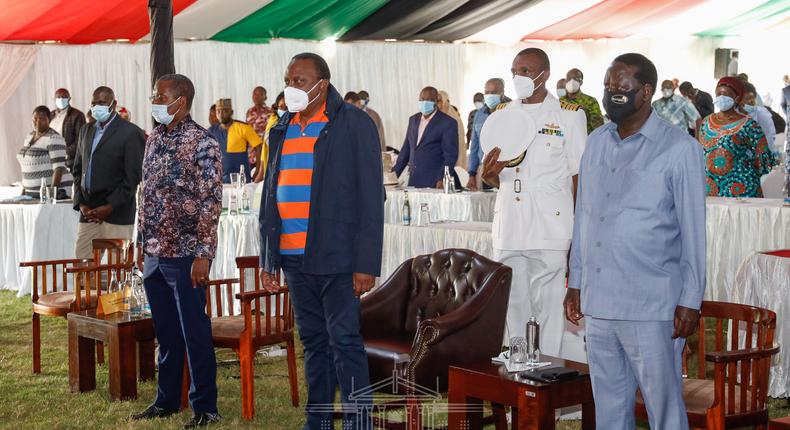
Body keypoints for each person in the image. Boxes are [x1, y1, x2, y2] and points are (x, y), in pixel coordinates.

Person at [565, 53, 707, 430]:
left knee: (664, 409)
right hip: (600, 302)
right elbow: (584, 218)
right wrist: (575, 281)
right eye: (608, 85)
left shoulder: (679, 149)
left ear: (645, 92)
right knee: (609, 408)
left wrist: (690, 300)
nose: (613, 92)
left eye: (622, 86)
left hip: (652, 305)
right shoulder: (596, 142)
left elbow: (694, 232)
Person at [258, 52, 383, 429]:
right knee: (313, 342)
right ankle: (319, 422)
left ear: (321, 84)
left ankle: (360, 422)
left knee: (344, 341)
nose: (290, 87)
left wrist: (365, 263)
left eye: (299, 80)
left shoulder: (353, 123)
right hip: (294, 256)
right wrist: (269, 255)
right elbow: (269, 191)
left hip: (338, 256)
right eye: (288, 79)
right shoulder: (282, 126)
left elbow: (370, 197)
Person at [481, 47, 587, 361]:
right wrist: (488, 176)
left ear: (545, 74)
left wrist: (578, 235)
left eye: (526, 71)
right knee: (513, 304)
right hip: (511, 224)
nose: (519, 77)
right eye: (515, 70)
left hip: (551, 226)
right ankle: (518, 381)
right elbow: (491, 177)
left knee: (550, 308)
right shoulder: (500, 115)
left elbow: (579, 177)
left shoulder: (569, 115)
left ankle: (548, 383)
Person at [132, 74, 222, 428]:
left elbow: (211, 203)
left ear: (180, 101)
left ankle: (205, 407)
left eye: (160, 95)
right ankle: (167, 400)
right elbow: (146, 194)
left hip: (187, 256)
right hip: (154, 253)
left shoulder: (204, 143)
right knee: (165, 331)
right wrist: (141, 243)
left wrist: (204, 255)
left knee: (193, 331)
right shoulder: (154, 137)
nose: (154, 100)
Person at [71, 87, 144, 259]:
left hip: (116, 211)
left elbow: (132, 178)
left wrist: (109, 206)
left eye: (102, 103)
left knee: (117, 272)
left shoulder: (130, 132)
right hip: (88, 211)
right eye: (94, 103)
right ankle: (86, 287)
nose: (97, 107)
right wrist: (81, 204)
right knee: (82, 263)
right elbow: (78, 170)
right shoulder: (86, 130)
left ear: (114, 104)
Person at [698, 77, 776, 197]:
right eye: (718, 94)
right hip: (710, 190)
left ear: (737, 98)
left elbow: (765, 159)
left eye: (726, 95)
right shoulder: (705, 122)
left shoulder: (750, 125)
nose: (721, 97)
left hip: (742, 190)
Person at [392, 86, 459, 188]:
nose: (424, 102)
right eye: (422, 99)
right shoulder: (413, 120)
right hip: (414, 180)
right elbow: (406, 150)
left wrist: (442, 178)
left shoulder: (447, 123)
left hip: (435, 181)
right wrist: (393, 176)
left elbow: (450, 155)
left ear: (436, 101)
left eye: (429, 100)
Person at [17, 106, 73, 199]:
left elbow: (58, 169)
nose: (37, 122)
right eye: (35, 119)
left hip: (49, 193)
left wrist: (51, 194)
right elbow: (27, 165)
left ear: (49, 120)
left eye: (41, 119)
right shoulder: (29, 136)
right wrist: (25, 188)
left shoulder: (54, 138)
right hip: (31, 193)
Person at [209, 98, 262, 183]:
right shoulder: (211, 131)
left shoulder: (244, 127)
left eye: (224, 111)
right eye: (218, 111)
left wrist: (258, 170)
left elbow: (259, 147)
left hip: (241, 179)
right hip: (219, 180)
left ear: (231, 112)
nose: (221, 114)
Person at [467, 78, 506, 190]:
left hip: (505, 169)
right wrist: (472, 174)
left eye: (493, 92)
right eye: (487, 92)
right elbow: (474, 146)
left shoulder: (511, 111)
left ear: (502, 93)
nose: (489, 95)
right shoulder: (479, 114)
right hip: (485, 168)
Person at [50, 88, 85, 171]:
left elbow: (80, 140)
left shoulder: (77, 115)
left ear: (69, 99)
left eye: (64, 97)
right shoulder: (50, 115)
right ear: (54, 99)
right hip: (50, 159)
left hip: (69, 161)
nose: (61, 99)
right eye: (58, 97)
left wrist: (65, 153)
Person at [253, 92, 285, 183]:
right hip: (272, 167)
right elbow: (265, 147)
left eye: (286, 108)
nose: (283, 111)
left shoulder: (296, 123)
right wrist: (261, 172)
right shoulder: (273, 120)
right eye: (281, 107)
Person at [562, 68, 603, 133]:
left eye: (576, 79)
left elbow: (599, 128)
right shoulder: (560, 101)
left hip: (584, 140)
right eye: (569, 78)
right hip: (563, 140)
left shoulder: (591, 101)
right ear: (565, 81)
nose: (572, 81)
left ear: (581, 82)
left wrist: (584, 114)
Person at [742, 82, 777, 151]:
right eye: (748, 98)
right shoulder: (733, 114)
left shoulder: (761, 113)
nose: (751, 101)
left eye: (753, 98)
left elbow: (770, 136)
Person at [438, 90, 467, 169]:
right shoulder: (438, 117)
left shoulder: (453, 118)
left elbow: (457, 144)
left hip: (454, 160)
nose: (438, 103)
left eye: (440, 100)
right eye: (436, 101)